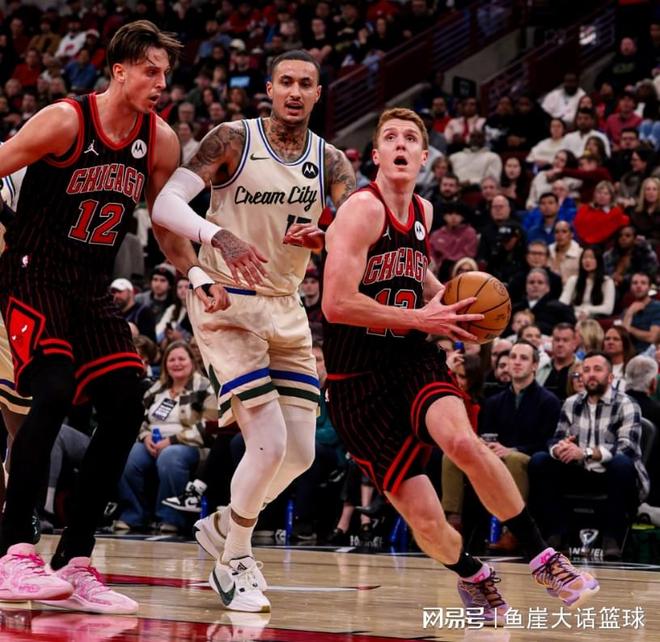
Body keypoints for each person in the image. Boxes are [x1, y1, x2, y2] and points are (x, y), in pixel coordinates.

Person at [322, 107, 598, 625]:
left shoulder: (423, 210)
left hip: (411, 358)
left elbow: (414, 271)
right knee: (427, 521)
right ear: (375, 155)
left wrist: (450, 303)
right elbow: (336, 304)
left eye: (410, 138)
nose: (400, 144)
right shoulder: (361, 210)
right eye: (390, 137)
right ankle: (472, 573)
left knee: (464, 443)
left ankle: (544, 559)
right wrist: (421, 316)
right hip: (356, 381)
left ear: (425, 157)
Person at [0, 21, 209, 613]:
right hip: (34, 273)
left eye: (165, 73)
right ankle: (13, 554)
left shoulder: (160, 140)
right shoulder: (65, 120)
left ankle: (76, 560)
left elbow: (165, 225)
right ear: (119, 70)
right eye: (150, 70)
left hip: (92, 287)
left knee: (125, 403)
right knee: (53, 392)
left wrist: (196, 274)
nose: (161, 83)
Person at [150, 49, 356, 613]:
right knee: (267, 443)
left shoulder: (332, 161)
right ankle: (234, 558)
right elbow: (165, 206)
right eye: (285, 81)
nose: (295, 91)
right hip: (225, 299)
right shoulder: (232, 139)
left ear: (318, 94)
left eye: (305, 83)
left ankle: (223, 525)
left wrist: (330, 237)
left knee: (301, 453)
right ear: (269, 87)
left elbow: (356, 230)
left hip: (287, 306)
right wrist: (217, 237)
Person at [529, 351, 649, 560]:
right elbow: (556, 438)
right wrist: (560, 448)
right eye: (586, 370)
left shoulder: (627, 404)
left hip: (613, 475)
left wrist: (585, 452)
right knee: (540, 461)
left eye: (597, 369)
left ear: (610, 377)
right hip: (579, 472)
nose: (591, 374)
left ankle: (612, 538)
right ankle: (556, 534)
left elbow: (627, 447)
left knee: (621, 464)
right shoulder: (571, 403)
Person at [117, 341, 216, 534]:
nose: (176, 363)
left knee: (170, 456)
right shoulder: (156, 389)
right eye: (171, 360)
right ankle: (133, 515)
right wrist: (145, 436)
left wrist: (172, 440)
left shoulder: (205, 387)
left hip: (192, 445)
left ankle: (171, 518)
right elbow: (140, 420)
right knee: (128, 455)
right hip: (152, 443)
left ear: (192, 361)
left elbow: (209, 426)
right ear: (165, 364)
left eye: (181, 359)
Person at [559, 246, 615, 320]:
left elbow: (608, 309)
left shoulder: (607, 282)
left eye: (591, 257)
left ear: (598, 261)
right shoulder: (573, 280)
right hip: (573, 316)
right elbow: (563, 303)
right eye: (584, 257)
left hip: (595, 318)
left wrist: (587, 310)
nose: (587, 260)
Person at [536, 323, 578, 401]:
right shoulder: (539, 368)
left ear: (574, 344)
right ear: (552, 342)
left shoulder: (581, 370)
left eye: (565, 340)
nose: (560, 344)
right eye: (557, 340)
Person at [620, 272, 660, 352]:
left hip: (649, 353)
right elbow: (622, 337)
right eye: (635, 283)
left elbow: (652, 338)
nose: (638, 286)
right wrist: (629, 313)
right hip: (629, 353)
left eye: (643, 283)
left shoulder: (657, 307)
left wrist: (629, 329)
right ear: (631, 287)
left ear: (649, 287)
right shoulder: (627, 310)